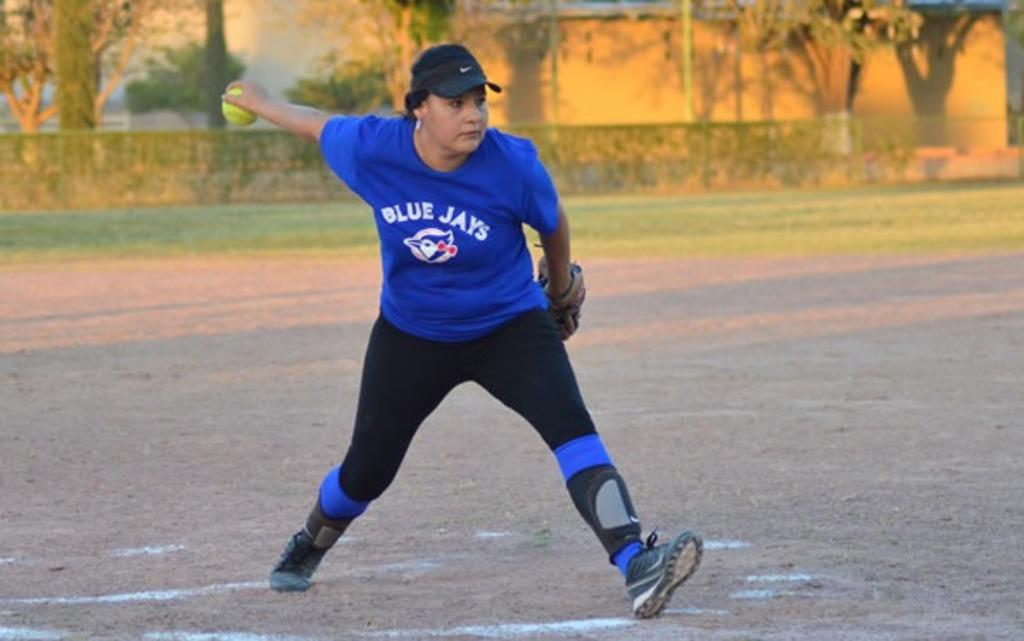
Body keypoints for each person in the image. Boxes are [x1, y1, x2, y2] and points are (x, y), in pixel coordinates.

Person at [222, 43, 702, 619]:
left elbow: (551, 222)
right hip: (412, 334)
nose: (473, 114)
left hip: (509, 326)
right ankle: (309, 544)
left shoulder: (512, 162)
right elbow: (314, 124)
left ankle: (636, 564)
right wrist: (261, 101)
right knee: (366, 471)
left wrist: (556, 290)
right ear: (418, 107)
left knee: (573, 431)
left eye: (479, 100)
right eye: (456, 102)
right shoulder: (374, 149)